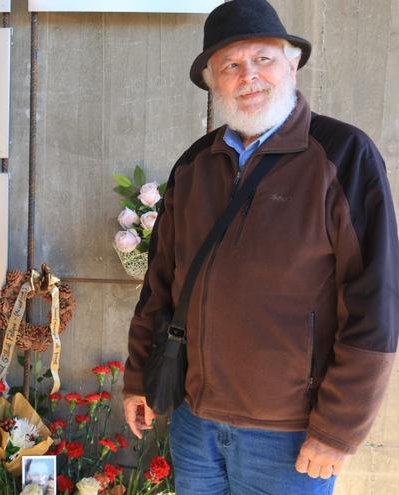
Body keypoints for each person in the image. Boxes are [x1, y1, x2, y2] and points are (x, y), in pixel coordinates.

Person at [122, 1, 398, 493]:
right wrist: (139, 377)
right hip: (194, 424)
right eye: (230, 65)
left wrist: (338, 428)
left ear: (292, 64)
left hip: (291, 437)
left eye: (264, 58)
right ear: (212, 81)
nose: (248, 75)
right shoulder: (194, 165)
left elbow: (375, 303)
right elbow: (159, 284)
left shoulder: (342, 155)